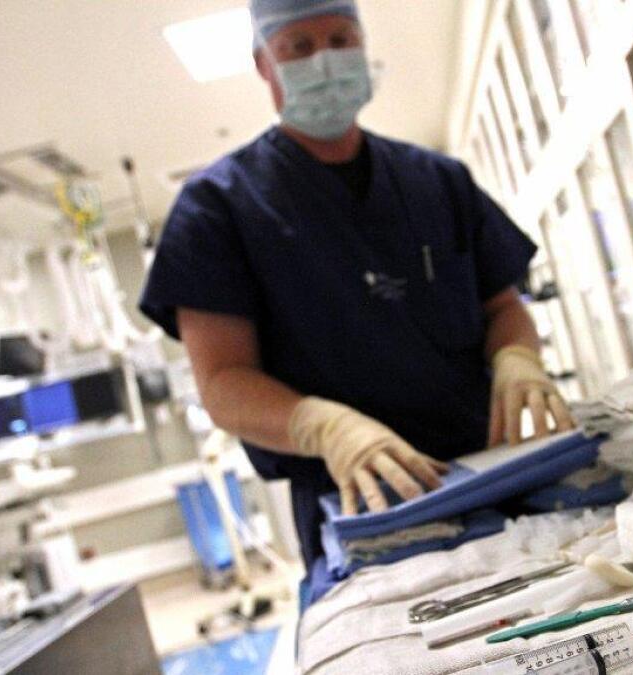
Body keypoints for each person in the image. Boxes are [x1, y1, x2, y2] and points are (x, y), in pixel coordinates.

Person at [139, 0, 575, 569]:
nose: (326, 59)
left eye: (342, 38)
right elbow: (223, 381)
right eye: (299, 45)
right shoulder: (216, 209)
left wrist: (518, 357)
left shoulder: (438, 181)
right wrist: (326, 427)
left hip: (495, 470)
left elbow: (503, 305)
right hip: (360, 508)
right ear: (264, 64)